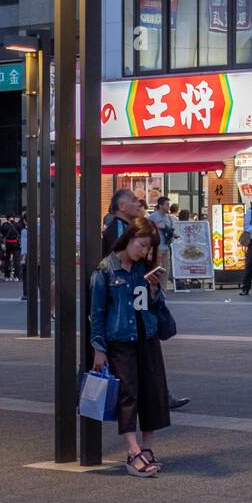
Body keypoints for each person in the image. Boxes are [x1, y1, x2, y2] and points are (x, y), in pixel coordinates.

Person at [90, 217, 172, 477]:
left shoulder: (142, 270)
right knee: (128, 394)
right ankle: (132, 451)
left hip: (145, 336)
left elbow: (147, 306)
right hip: (120, 341)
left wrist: (156, 289)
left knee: (153, 391)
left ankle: (147, 448)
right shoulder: (106, 270)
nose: (145, 252)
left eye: (149, 248)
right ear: (130, 237)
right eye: (143, 245)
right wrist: (99, 348)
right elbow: (97, 313)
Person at [102, 188, 190, 410]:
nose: (138, 202)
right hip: (127, 302)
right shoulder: (117, 229)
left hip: (133, 300)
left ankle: (158, 395)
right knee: (138, 352)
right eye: (133, 200)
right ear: (122, 207)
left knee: (140, 354)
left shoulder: (127, 227)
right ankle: (156, 397)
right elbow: (117, 264)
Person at [147, 196, 177, 285]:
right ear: (160, 205)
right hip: (157, 247)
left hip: (166, 246)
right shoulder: (152, 217)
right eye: (167, 204)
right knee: (157, 269)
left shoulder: (169, 218)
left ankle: (163, 290)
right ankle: (155, 288)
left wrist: (173, 235)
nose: (168, 206)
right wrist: (156, 226)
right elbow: (146, 229)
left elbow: (171, 230)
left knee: (166, 269)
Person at [0, 215, 21, 280]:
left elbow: (1, 234)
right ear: (14, 218)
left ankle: (7, 276)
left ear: (7, 218)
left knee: (7, 261)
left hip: (7, 244)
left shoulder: (4, 225)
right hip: (16, 244)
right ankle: (16, 276)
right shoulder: (17, 225)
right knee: (16, 261)